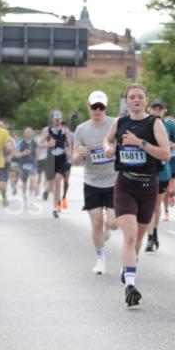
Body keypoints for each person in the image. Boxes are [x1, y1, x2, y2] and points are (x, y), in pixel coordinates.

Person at [103, 84, 171, 306]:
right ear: (126, 101)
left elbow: (166, 154)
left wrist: (140, 143)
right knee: (130, 236)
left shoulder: (155, 123)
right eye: (132, 97)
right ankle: (130, 285)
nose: (136, 100)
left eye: (140, 97)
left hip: (148, 187)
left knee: (139, 238)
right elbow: (108, 139)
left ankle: (129, 266)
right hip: (125, 184)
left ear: (146, 101)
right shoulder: (120, 122)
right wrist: (108, 148)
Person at [73, 91, 118, 274]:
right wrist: (79, 154)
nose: (98, 110)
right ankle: (100, 258)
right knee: (96, 222)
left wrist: (115, 149)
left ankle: (109, 226)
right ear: (89, 107)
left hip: (114, 180)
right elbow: (75, 160)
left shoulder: (115, 124)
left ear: (106, 108)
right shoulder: (81, 129)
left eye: (101, 107)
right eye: (94, 107)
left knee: (114, 223)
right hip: (91, 181)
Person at [145, 98, 175, 253]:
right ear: (149, 109)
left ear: (164, 111)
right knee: (150, 205)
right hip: (146, 170)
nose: (157, 111)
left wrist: (168, 145)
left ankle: (154, 232)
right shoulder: (143, 124)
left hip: (163, 171)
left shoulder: (170, 126)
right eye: (154, 108)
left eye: (160, 109)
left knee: (156, 206)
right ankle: (150, 237)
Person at [39, 111, 73, 218]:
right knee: (51, 183)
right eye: (55, 118)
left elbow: (69, 144)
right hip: (50, 159)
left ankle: (56, 207)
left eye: (59, 118)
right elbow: (40, 143)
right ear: (52, 119)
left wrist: (69, 153)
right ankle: (47, 191)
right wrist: (47, 144)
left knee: (58, 180)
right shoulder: (46, 130)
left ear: (61, 119)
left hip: (61, 159)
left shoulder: (65, 131)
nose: (57, 120)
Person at [12, 127, 37, 203]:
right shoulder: (20, 143)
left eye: (30, 132)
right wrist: (23, 153)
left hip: (32, 164)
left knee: (33, 178)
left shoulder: (34, 142)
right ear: (24, 134)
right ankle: (24, 195)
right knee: (24, 181)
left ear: (32, 133)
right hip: (23, 164)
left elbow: (39, 151)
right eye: (27, 132)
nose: (28, 134)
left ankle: (30, 195)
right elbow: (15, 153)